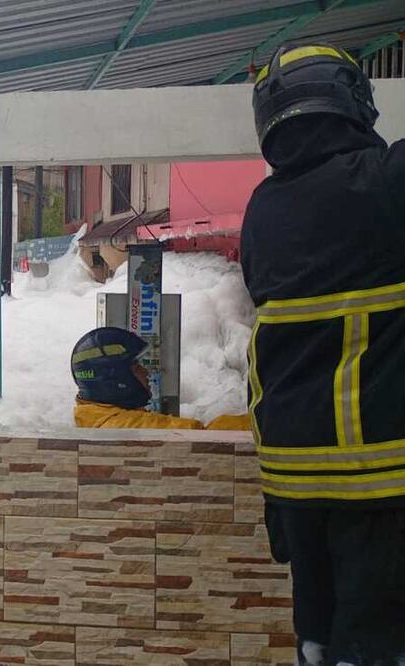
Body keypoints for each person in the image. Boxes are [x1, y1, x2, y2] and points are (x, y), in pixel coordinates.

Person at [243, 42, 405, 666]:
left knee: (319, 633)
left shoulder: (262, 211)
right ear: (353, 104)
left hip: (293, 481)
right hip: (381, 481)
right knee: (376, 643)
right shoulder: (385, 183)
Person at [71, 327, 249, 430]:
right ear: (117, 379)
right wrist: (259, 422)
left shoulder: (94, 418)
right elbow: (204, 437)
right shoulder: (131, 427)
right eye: (136, 367)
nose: (145, 372)